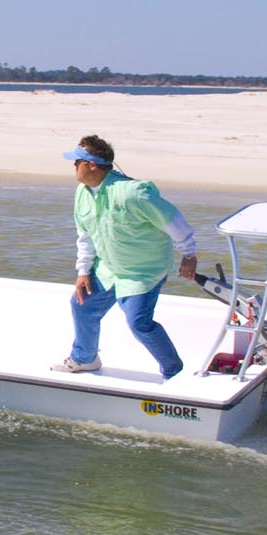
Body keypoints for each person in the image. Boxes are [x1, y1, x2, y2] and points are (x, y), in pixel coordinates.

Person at [55, 134, 198, 380]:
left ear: (91, 165)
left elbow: (173, 220)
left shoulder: (134, 193)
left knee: (139, 323)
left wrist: (189, 254)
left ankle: (174, 371)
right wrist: (83, 272)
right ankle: (84, 358)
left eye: (76, 161)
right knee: (82, 303)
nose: (73, 166)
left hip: (142, 271)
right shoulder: (82, 193)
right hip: (108, 268)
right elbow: (85, 236)